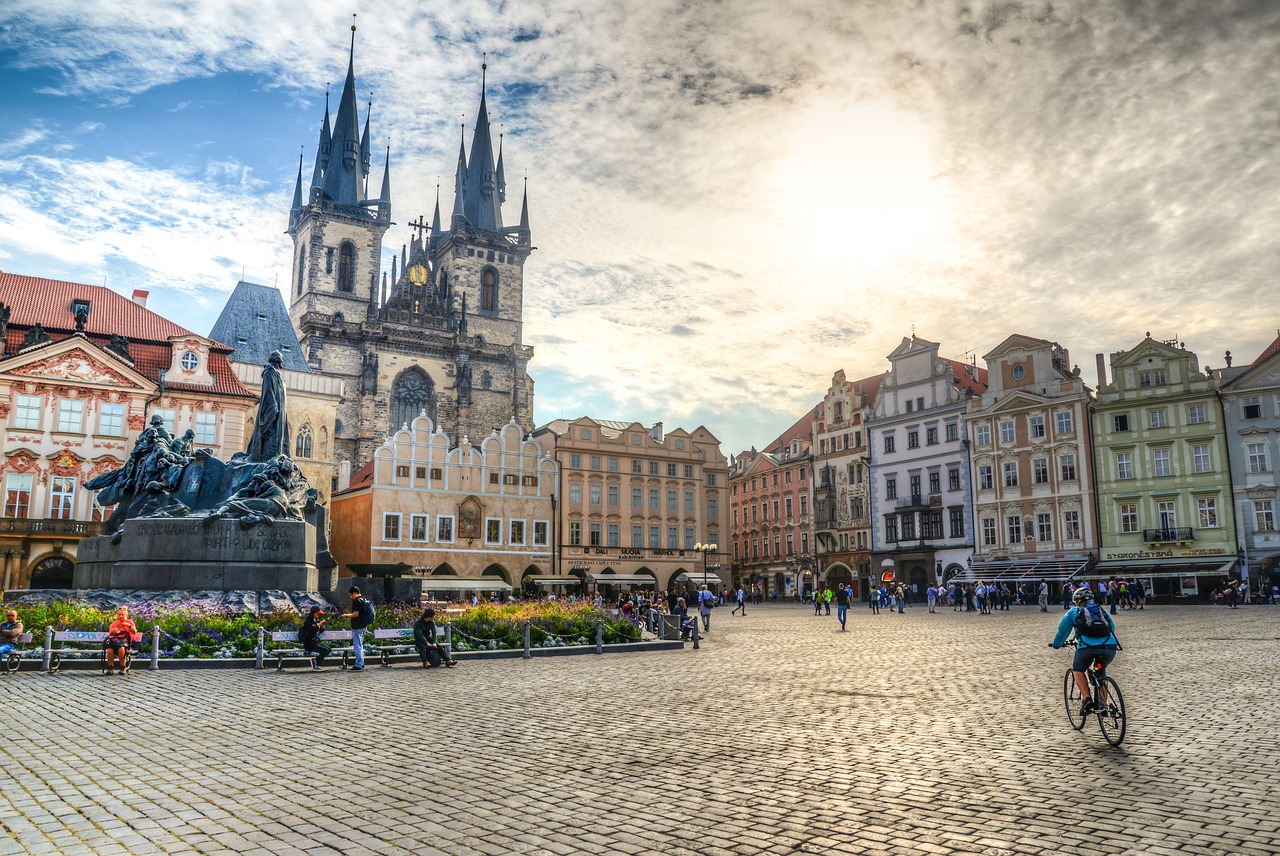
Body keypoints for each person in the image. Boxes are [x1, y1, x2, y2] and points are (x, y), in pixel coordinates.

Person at [1050, 587, 1120, 717]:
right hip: (1108, 648)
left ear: (1076, 601)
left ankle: (1087, 699)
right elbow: (1112, 627)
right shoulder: (1100, 610)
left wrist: (1056, 645)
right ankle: (1103, 705)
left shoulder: (1073, 612)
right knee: (1100, 671)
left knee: (1078, 670)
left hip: (1087, 649)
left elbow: (1062, 632)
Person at [342, 586, 374, 671]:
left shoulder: (357, 601)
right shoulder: (364, 599)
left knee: (357, 646)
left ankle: (359, 665)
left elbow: (356, 614)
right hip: (363, 625)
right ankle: (361, 663)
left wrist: (347, 615)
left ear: (355, 593)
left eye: (351, 595)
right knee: (360, 645)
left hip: (358, 626)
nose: (351, 597)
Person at [104, 606, 139, 675]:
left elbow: (134, 632)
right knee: (110, 650)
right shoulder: (114, 624)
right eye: (119, 615)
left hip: (125, 643)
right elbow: (110, 635)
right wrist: (114, 631)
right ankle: (110, 667)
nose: (121, 616)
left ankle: (123, 667)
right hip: (115, 642)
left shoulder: (130, 622)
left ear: (126, 615)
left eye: (122, 615)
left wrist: (128, 625)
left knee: (121, 649)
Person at [299, 606, 330, 671]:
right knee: (324, 650)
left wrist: (323, 626)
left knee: (328, 649)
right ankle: (317, 665)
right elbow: (311, 630)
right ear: (313, 613)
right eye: (317, 614)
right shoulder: (308, 620)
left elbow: (318, 631)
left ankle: (315, 660)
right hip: (309, 643)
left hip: (316, 641)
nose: (318, 615)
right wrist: (319, 624)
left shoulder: (316, 620)